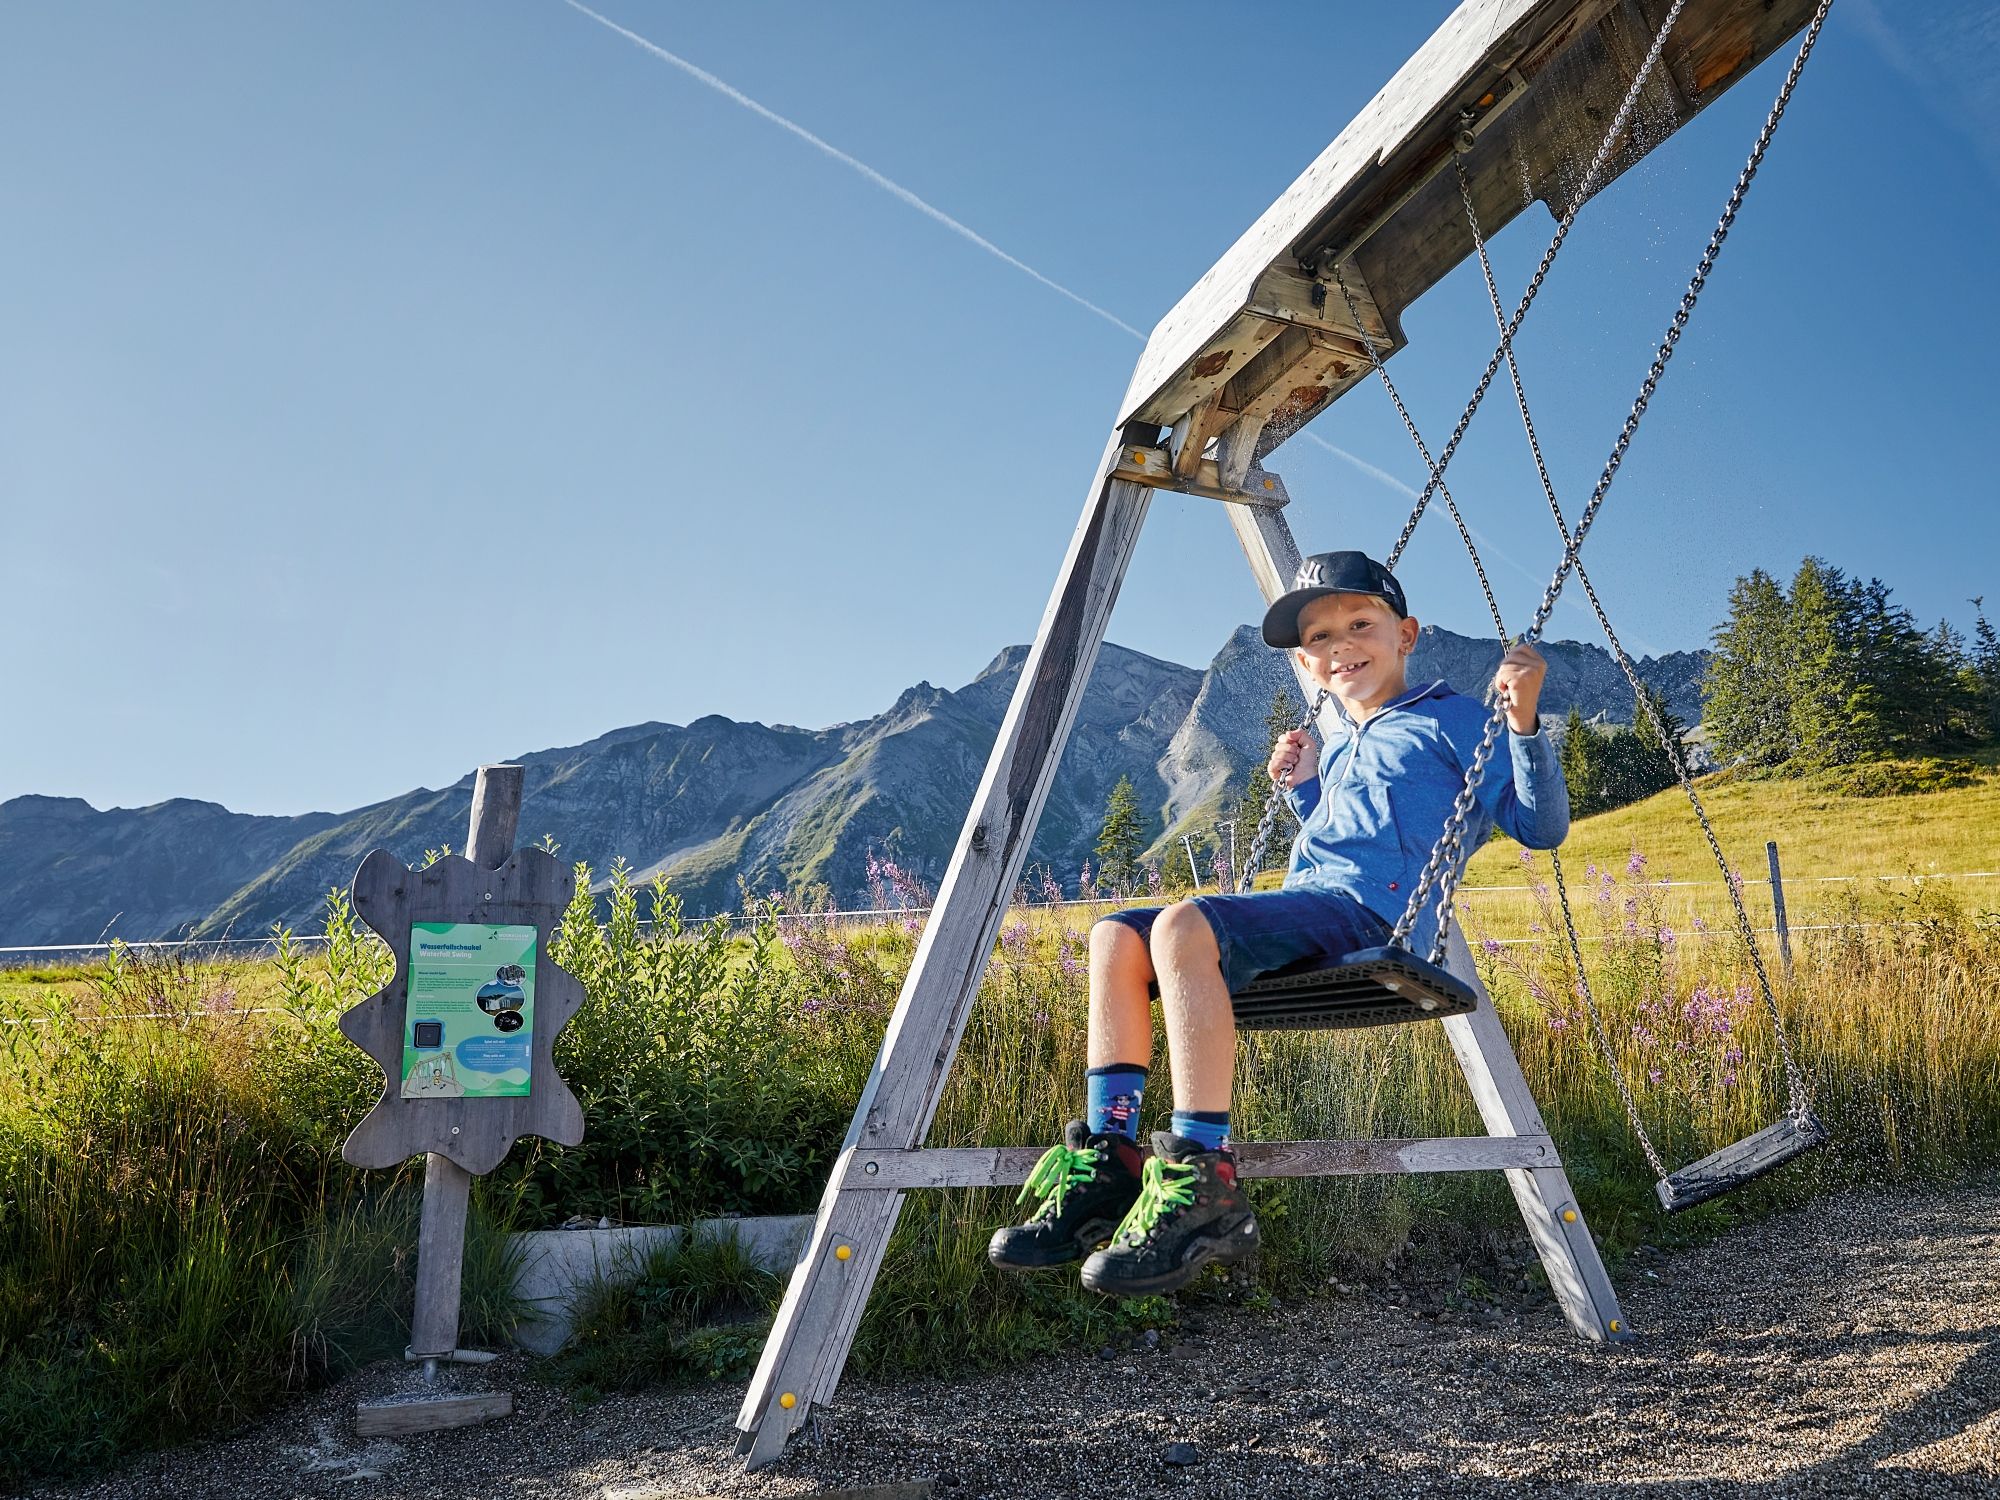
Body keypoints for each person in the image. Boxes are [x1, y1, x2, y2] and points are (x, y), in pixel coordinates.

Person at [988, 551, 1569, 1296]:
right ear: (1304, 660)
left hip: (1372, 921)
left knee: (1179, 927)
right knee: (1114, 937)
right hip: (1316, 907)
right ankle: (1111, 1161)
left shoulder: (1453, 719)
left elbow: (1542, 826)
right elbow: (1348, 835)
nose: (1340, 646)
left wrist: (1521, 723)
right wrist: (1307, 787)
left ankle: (1203, 1180)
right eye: (1319, 639)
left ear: (1406, 634)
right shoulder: (1342, 735)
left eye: (1359, 624)